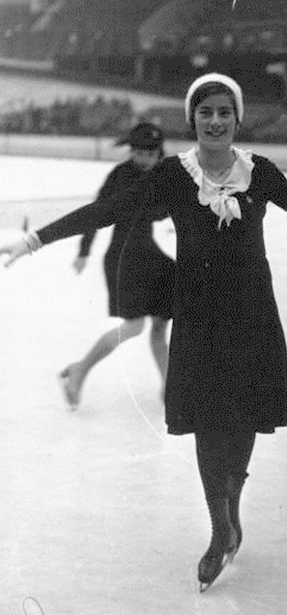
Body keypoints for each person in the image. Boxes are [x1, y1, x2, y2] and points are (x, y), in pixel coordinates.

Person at [0, 73, 287, 592]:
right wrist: (35, 239)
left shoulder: (259, 172)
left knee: (243, 418)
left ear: (237, 119)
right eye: (205, 112)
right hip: (197, 313)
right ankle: (221, 529)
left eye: (224, 112)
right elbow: (108, 210)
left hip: (252, 311)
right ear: (192, 119)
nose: (215, 121)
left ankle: (231, 511)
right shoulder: (174, 175)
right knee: (207, 422)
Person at [60, 122, 175, 409]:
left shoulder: (163, 175)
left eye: (150, 154)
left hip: (149, 255)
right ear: (131, 151)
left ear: (159, 153)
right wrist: (84, 251)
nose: (144, 159)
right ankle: (80, 369)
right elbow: (94, 214)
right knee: (134, 326)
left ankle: (169, 388)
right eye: (139, 153)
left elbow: (166, 210)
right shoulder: (121, 175)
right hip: (123, 258)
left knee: (160, 325)